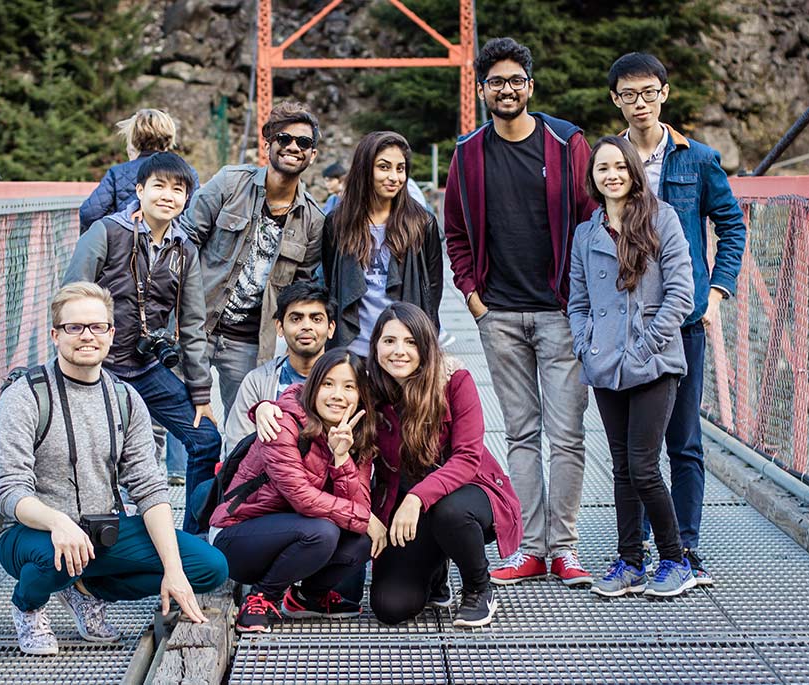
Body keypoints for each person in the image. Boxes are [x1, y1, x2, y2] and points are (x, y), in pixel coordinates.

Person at [0, 282, 227, 655]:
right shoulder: (26, 396)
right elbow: (8, 490)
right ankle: (28, 607)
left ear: (112, 333)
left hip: (100, 529)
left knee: (209, 567)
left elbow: (149, 487)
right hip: (30, 533)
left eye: (98, 327)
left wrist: (173, 569)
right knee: (55, 558)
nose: (87, 336)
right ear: (55, 334)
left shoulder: (125, 398)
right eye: (74, 327)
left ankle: (84, 590)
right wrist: (58, 522)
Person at [442, 37, 598, 586]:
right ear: (482, 90)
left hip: (559, 313)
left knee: (569, 434)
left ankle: (566, 548)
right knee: (522, 435)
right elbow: (455, 232)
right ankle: (530, 548)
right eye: (495, 82)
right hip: (499, 315)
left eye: (516, 81)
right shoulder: (467, 153)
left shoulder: (567, 143)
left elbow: (591, 221)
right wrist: (473, 297)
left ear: (530, 86)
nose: (506, 90)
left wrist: (581, 300)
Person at [608, 53, 747, 584]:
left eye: (648, 92)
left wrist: (716, 294)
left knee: (683, 439)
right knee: (631, 447)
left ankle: (685, 549)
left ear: (665, 93)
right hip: (626, 323)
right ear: (616, 100)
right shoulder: (609, 159)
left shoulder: (699, 159)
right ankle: (639, 548)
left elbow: (732, 228)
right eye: (628, 95)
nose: (639, 103)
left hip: (684, 319)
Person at [65, 152, 221, 535]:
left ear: (187, 198)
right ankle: (91, 546)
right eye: (159, 186)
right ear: (140, 190)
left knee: (205, 439)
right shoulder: (106, 231)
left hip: (148, 367)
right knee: (95, 459)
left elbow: (194, 323)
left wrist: (201, 393)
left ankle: (192, 539)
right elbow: (71, 298)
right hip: (99, 371)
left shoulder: (184, 250)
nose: (168, 195)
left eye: (178, 189)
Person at [569, 136, 695, 597]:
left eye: (620, 166)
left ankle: (676, 559)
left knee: (643, 467)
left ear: (634, 172)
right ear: (593, 178)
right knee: (622, 467)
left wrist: (645, 347)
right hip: (605, 365)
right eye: (603, 168)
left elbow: (681, 293)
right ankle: (629, 561)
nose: (612, 175)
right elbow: (578, 301)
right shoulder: (587, 234)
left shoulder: (662, 219)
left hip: (653, 362)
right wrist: (587, 344)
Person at [364, 303, 522, 627]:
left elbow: (467, 457)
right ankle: (436, 571)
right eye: (389, 341)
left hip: (469, 494)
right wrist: (268, 406)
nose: (399, 351)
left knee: (449, 512)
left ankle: (480, 587)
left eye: (410, 342)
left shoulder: (454, 380)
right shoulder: (369, 388)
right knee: (390, 607)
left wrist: (416, 498)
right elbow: (315, 394)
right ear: (375, 345)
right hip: (406, 510)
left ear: (426, 347)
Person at [210, 349, 384, 633]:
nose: (338, 395)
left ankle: (307, 598)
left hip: (298, 535)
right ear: (313, 386)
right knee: (324, 532)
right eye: (328, 383)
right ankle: (261, 597)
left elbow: (360, 502)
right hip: (238, 536)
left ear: (361, 395)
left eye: (349, 386)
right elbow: (303, 498)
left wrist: (341, 459)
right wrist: (366, 518)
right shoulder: (282, 423)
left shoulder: (358, 435)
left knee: (361, 540)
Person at [176, 101, 325, 417]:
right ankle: (179, 471)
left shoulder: (313, 220)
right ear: (268, 144)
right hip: (195, 325)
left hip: (249, 343)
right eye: (284, 139)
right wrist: (172, 309)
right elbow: (184, 241)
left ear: (313, 155)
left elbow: (299, 293)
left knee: (242, 429)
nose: (293, 147)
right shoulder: (231, 183)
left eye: (304, 142)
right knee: (185, 422)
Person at [322, 131, 443, 357]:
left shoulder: (422, 224)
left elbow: (432, 291)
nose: (394, 177)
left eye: (400, 168)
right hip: (353, 349)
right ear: (365, 169)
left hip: (403, 352)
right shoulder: (337, 223)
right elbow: (332, 285)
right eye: (384, 167)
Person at [223, 281, 337, 452]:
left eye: (316, 319)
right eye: (296, 319)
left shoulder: (347, 382)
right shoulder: (257, 382)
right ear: (280, 327)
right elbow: (236, 450)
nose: (306, 326)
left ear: (330, 328)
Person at [78, 109, 199, 232]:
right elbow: (196, 219)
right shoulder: (187, 173)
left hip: (127, 246)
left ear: (134, 137)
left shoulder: (118, 173)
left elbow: (89, 214)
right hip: (171, 246)